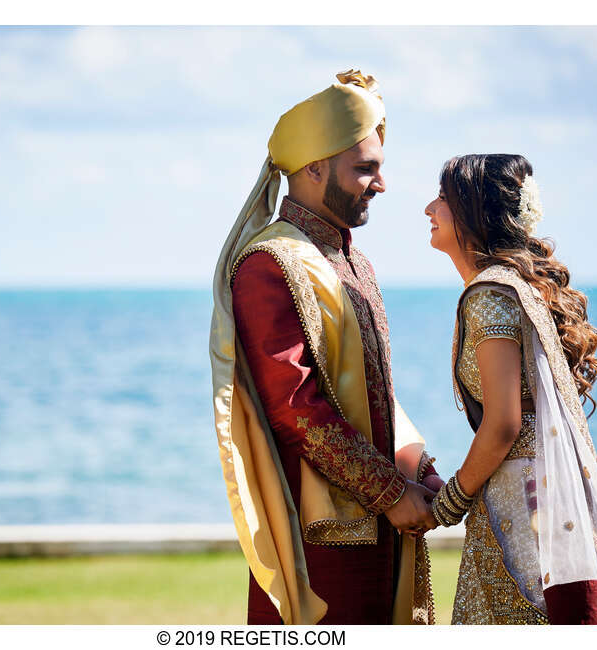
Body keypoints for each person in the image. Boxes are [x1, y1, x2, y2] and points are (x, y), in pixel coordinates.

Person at [209, 70, 443, 625]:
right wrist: (389, 491)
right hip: (322, 538)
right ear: (314, 168)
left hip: (383, 523)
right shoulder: (271, 262)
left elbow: (376, 393)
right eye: (366, 168)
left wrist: (419, 469)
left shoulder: (353, 261)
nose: (380, 184)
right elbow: (298, 410)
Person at [424, 153, 597, 624]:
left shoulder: (490, 295)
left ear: (476, 211)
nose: (429, 208)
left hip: (523, 510)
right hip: (547, 499)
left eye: (443, 198)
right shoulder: (517, 285)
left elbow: (503, 425)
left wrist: (449, 503)